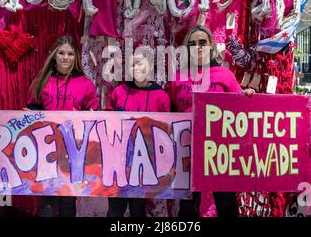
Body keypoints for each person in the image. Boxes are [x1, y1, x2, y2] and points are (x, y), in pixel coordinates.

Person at [165, 26, 254, 218]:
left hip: (220, 149)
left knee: (226, 205)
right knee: (188, 208)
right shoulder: (178, 77)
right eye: (192, 44)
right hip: (188, 149)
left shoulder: (225, 75)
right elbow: (169, 110)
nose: (197, 47)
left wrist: (247, 96)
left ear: (211, 46)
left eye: (202, 42)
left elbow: (239, 110)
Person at [27, 35, 98, 217]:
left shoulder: (86, 85)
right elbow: (33, 115)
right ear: (54, 56)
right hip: (46, 152)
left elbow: (93, 117)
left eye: (70, 54)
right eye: (61, 53)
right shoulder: (41, 82)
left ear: (76, 57)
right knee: (47, 203)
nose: (66, 57)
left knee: (68, 202)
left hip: (73, 153)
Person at [106, 52, 171, 217]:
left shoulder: (161, 96)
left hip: (144, 165)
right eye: (132, 64)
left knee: (137, 210)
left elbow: (166, 130)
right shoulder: (119, 92)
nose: (136, 68)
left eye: (140, 63)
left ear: (150, 66)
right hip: (119, 164)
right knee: (115, 210)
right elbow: (107, 120)